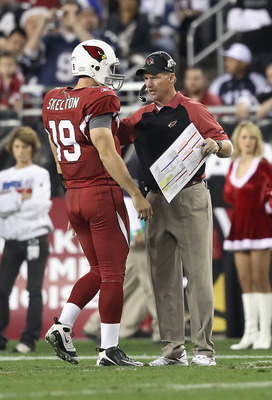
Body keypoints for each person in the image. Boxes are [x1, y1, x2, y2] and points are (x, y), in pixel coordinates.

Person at [117, 50, 233, 366]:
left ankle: (204, 351)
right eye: (146, 77)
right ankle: (173, 351)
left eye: (155, 76)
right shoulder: (138, 118)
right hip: (155, 199)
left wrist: (215, 146)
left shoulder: (192, 109)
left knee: (198, 275)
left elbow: (226, 145)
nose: (149, 82)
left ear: (171, 77)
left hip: (191, 195)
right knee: (162, 277)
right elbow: (110, 140)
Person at [42, 39, 153, 367]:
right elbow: (107, 151)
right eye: (111, 65)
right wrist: (134, 193)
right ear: (95, 64)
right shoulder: (101, 98)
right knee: (113, 273)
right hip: (100, 192)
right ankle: (108, 349)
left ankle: (62, 325)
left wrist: (69, 186)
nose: (114, 73)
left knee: (98, 269)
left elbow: (54, 144)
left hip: (73, 193)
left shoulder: (53, 98)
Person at [83, 146, 160, 343]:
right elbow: (126, 194)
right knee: (152, 281)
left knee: (129, 282)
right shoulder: (138, 159)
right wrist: (136, 230)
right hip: (139, 228)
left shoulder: (142, 155)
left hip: (144, 225)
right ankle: (162, 330)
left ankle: (93, 325)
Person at [0, 126, 53, 353]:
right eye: (17, 146)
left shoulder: (40, 174)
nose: (21, 151)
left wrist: (10, 203)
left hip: (35, 237)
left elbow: (40, 205)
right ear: (12, 148)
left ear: (33, 148)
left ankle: (28, 339)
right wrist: (21, 200)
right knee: (3, 290)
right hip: (11, 239)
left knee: (33, 290)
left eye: (25, 146)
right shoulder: (3, 176)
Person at [223, 121, 272, 350]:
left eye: (252, 138)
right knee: (245, 281)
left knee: (261, 279)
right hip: (239, 228)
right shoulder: (233, 165)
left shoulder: (263, 165)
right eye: (244, 137)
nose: (248, 141)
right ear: (238, 141)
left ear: (257, 141)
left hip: (261, 227)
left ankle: (265, 333)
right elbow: (230, 197)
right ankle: (250, 333)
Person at [209, 43, 267, 119]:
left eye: (231, 61)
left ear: (243, 64)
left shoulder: (257, 81)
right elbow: (210, 102)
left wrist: (246, 102)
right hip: (223, 125)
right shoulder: (220, 82)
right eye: (227, 60)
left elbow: (264, 99)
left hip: (250, 124)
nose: (227, 64)